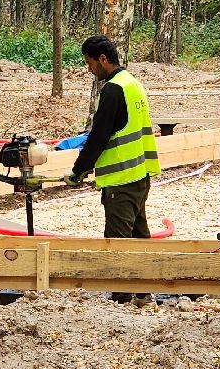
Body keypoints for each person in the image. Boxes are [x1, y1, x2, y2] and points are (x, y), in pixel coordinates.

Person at [65, 34, 160, 240]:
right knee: (140, 238)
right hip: (139, 176)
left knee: (118, 244)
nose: (89, 69)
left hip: (121, 181)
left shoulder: (113, 90)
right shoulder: (132, 83)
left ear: (103, 59)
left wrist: (78, 170)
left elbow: (99, 136)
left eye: (89, 63)